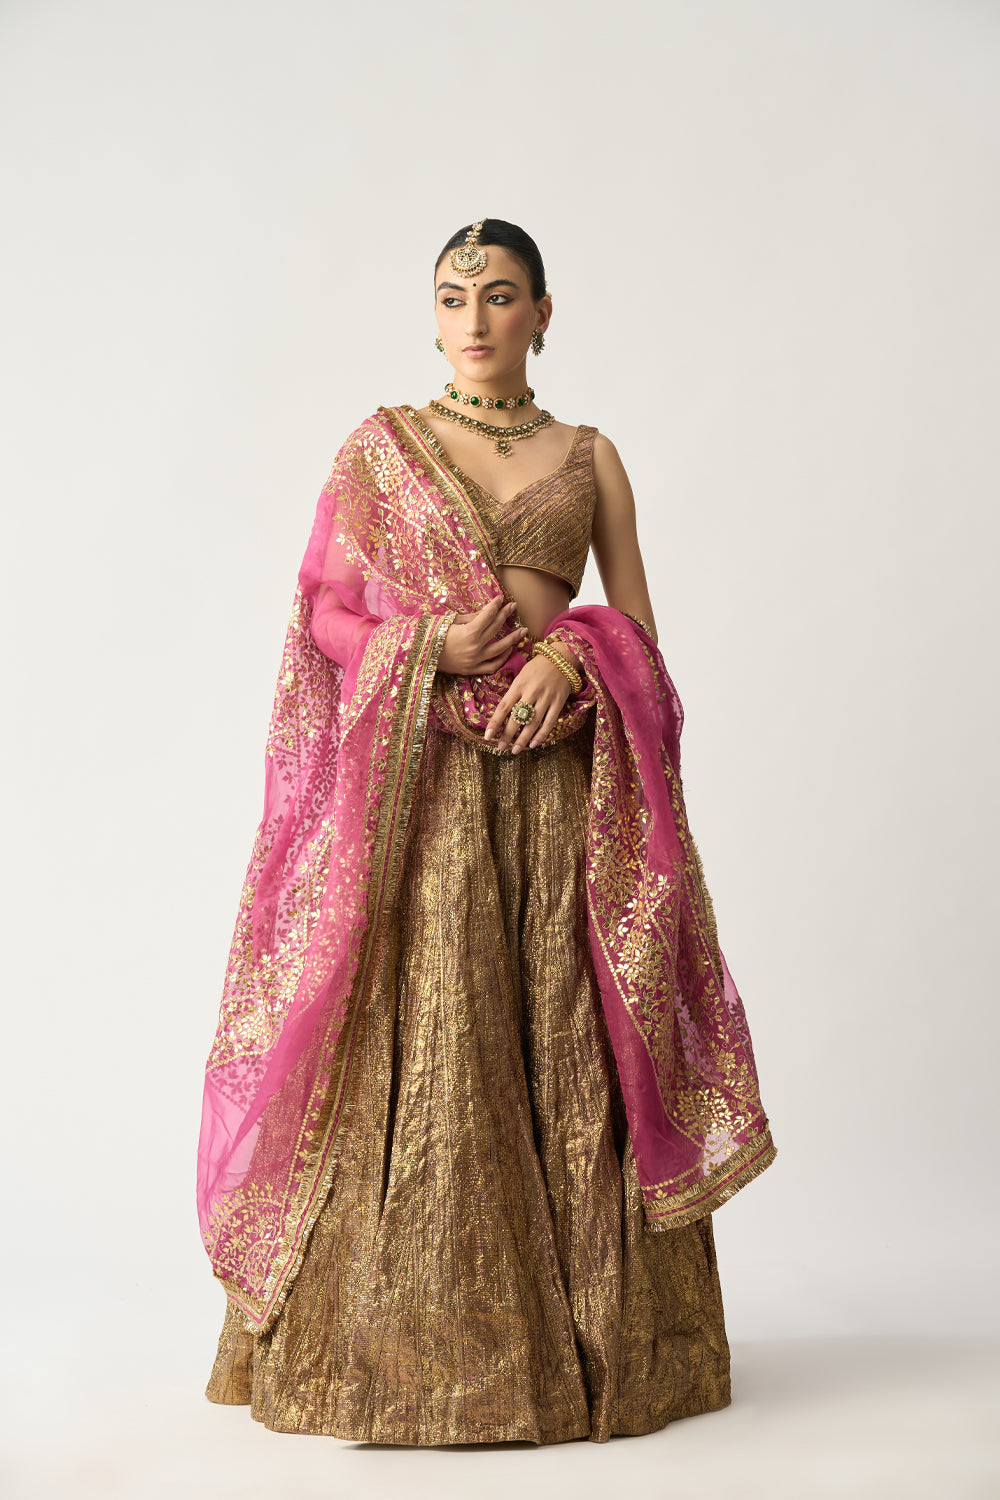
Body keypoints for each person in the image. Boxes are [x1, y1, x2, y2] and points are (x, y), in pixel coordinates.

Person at [198, 217, 777, 1445]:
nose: (474, 318)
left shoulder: (590, 456)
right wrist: (431, 647)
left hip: (560, 780)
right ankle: (399, 1363)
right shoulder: (382, 451)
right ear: (432, 316)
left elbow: (639, 630)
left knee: (568, 1028)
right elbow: (324, 620)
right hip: (426, 787)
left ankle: (600, 1353)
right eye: (453, 296)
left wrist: (573, 658)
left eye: (500, 295)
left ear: (542, 315)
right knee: (432, 1029)